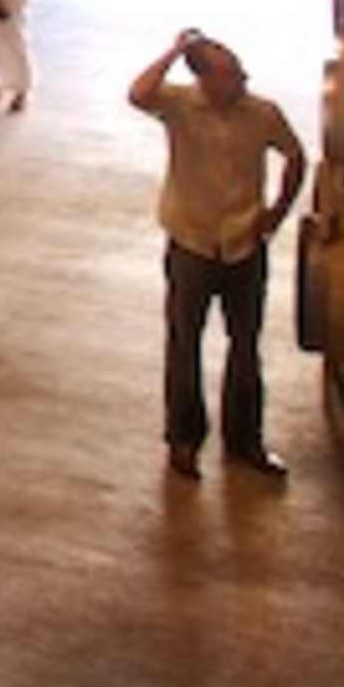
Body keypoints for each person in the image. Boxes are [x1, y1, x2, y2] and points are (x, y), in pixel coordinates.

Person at [129, 26, 307, 479]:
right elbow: (138, 93)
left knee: (245, 346)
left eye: (240, 71)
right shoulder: (179, 106)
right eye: (230, 74)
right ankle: (184, 439)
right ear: (206, 79)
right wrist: (173, 50)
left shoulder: (261, 113)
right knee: (184, 342)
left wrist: (278, 210)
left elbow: (295, 155)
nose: (242, 79)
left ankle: (245, 439)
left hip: (244, 244)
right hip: (192, 241)